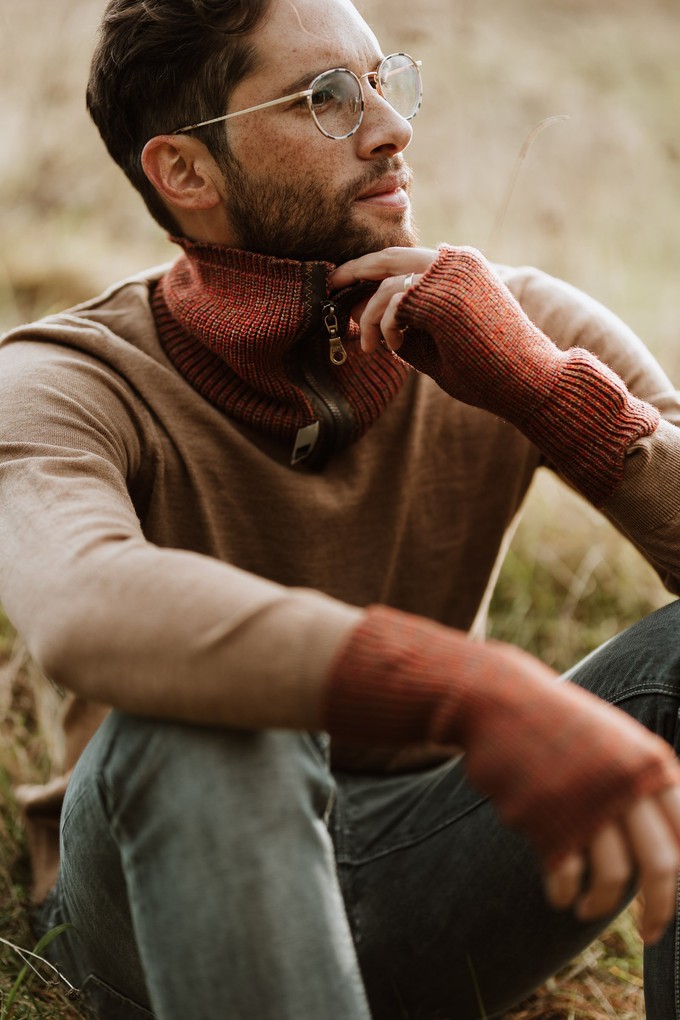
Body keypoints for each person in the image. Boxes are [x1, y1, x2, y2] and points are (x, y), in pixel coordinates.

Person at [2, 0, 680, 1017]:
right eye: (323, 98)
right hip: (161, 907)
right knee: (211, 717)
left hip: (436, 869)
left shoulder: (512, 324)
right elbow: (84, 607)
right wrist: (468, 689)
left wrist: (547, 393)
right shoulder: (68, 379)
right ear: (183, 172)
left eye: (380, 78)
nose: (388, 125)